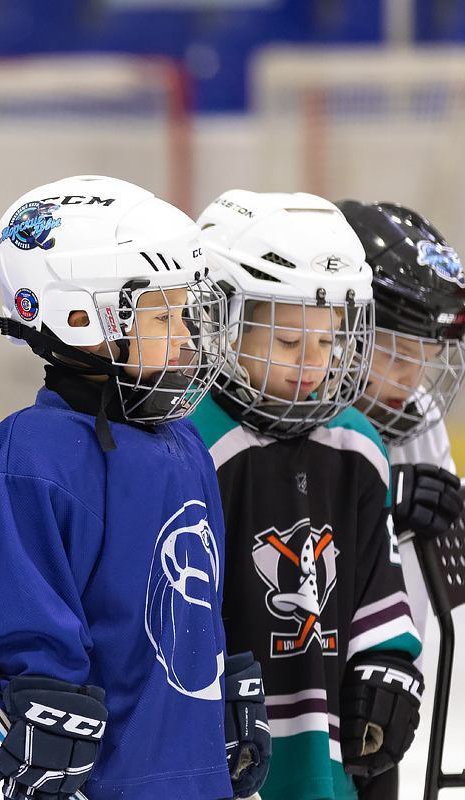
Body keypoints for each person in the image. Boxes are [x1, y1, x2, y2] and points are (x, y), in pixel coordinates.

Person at [0, 174, 271, 800]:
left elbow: (196, 600)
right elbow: (24, 610)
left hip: (197, 776)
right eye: (162, 312)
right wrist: (41, 696)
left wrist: (226, 687)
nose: (184, 336)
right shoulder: (31, 456)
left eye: (186, 310)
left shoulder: (184, 445)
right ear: (78, 316)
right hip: (105, 782)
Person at [189, 190, 425, 800]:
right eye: (289, 344)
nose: (312, 364)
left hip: (332, 741)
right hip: (224, 743)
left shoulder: (357, 443)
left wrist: (390, 664)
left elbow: (378, 582)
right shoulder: (193, 446)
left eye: (326, 342)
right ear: (220, 324)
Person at [338, 200, 465, 799]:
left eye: (426, 351)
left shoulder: (415, 418)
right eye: (394, 351)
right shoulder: (288, 424)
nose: (413, 374)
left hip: (385, 680)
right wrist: (381, 498)